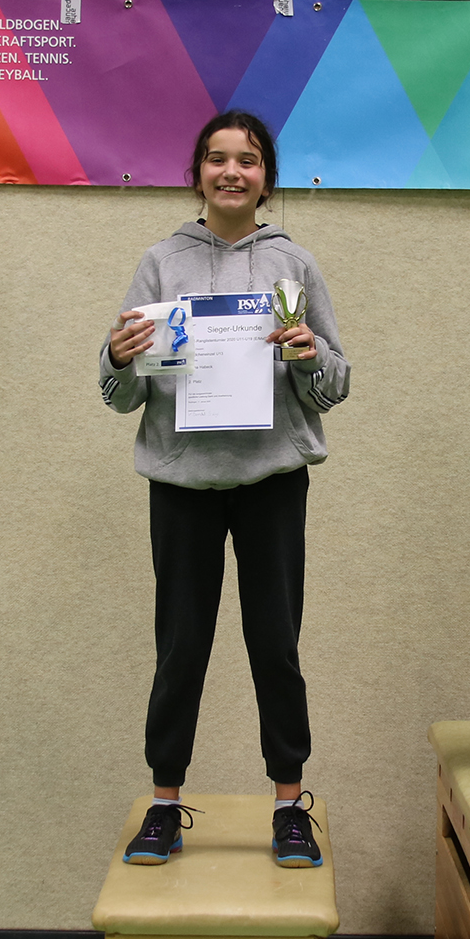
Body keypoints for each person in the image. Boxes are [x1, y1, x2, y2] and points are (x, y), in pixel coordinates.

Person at [99, 110, 350, 868]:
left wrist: (307, 354)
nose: (231, 172)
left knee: (276, 645)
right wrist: (117, 356)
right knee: (180, 648)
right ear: (197, 172)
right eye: (217, 158)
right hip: (182, 486)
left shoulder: (294, 265)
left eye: (247, 160)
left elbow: (335, 384)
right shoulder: (160, 263)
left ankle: (289, 806)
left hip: (273, 482)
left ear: (266, 177)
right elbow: (119, 396)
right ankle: (164, 805)